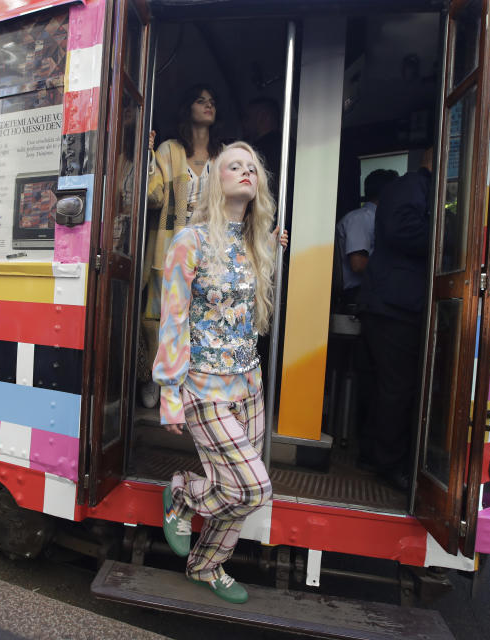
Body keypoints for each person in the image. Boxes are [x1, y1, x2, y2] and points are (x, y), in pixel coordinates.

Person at [153, 142, 286, 604]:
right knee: (252, 489)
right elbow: (173, 318)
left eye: (253, 167)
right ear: (216, 178)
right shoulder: (188, 241)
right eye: (235, 165)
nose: (246, 171)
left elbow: (246, 307)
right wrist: (170, 392)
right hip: (204, 388)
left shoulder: (255, 242)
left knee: (237, 489)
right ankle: (184, 497)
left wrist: (270, 244)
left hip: (250, 385)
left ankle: (206, 566)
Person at [138, 85, 225, 408]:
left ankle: (193, 390)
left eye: (212, 101)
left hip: (209, 247)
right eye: (200, 100)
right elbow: (152, 197)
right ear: (187, 108)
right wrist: (147, 155)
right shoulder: (169, 149)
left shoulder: (223, 154)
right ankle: (155, 379)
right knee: (159, 318)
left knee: (202, 319)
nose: (207, 105)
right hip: (170, 243)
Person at [357, 150, 433, 491]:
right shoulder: (413, 185)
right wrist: (450, 231)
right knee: (396, 387)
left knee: (385, 385)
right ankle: (388, 464)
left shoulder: (414, 187)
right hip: (395, 304)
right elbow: (402, 228)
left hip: (391, 303)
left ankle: (373, 454)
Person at [333, 169, 399, 310]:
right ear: (387, 194)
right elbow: (358, 264)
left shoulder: (376, 218)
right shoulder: (362, 218)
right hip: (356, 293)